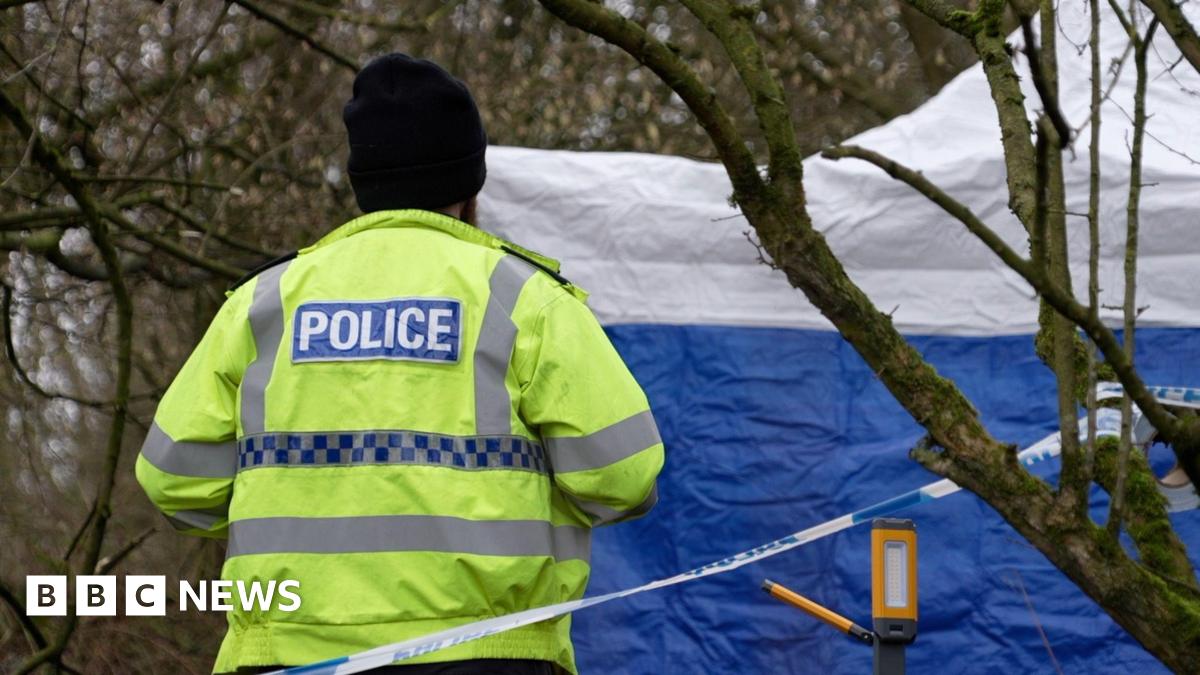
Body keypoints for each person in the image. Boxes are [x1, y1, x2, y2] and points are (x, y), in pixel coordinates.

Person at [135, 53, 664, 675]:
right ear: (471, 187)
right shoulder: (527, 299)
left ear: (362, 184)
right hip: (485, 656)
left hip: (285, 659)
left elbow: (175, 483)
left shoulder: (264, 302)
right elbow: (623, 477)